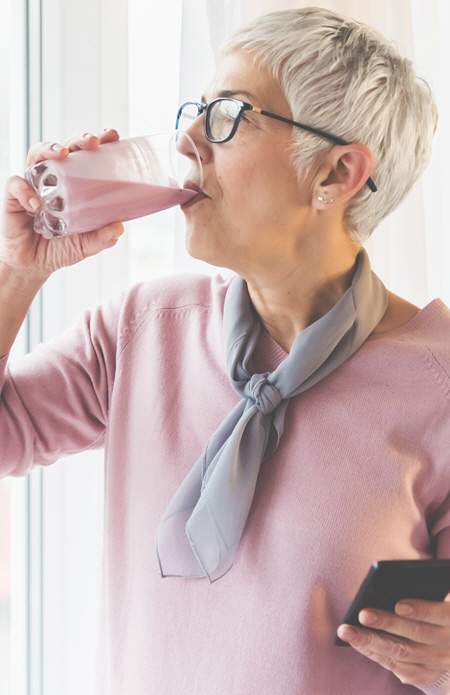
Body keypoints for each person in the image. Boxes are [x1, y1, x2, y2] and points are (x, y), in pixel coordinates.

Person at [1, 6, 450, 694]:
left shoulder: (438, 384)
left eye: (228, 116)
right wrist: (17, 274)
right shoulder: (142, 328)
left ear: (337, 173)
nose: (188, 141)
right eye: (198, 110)